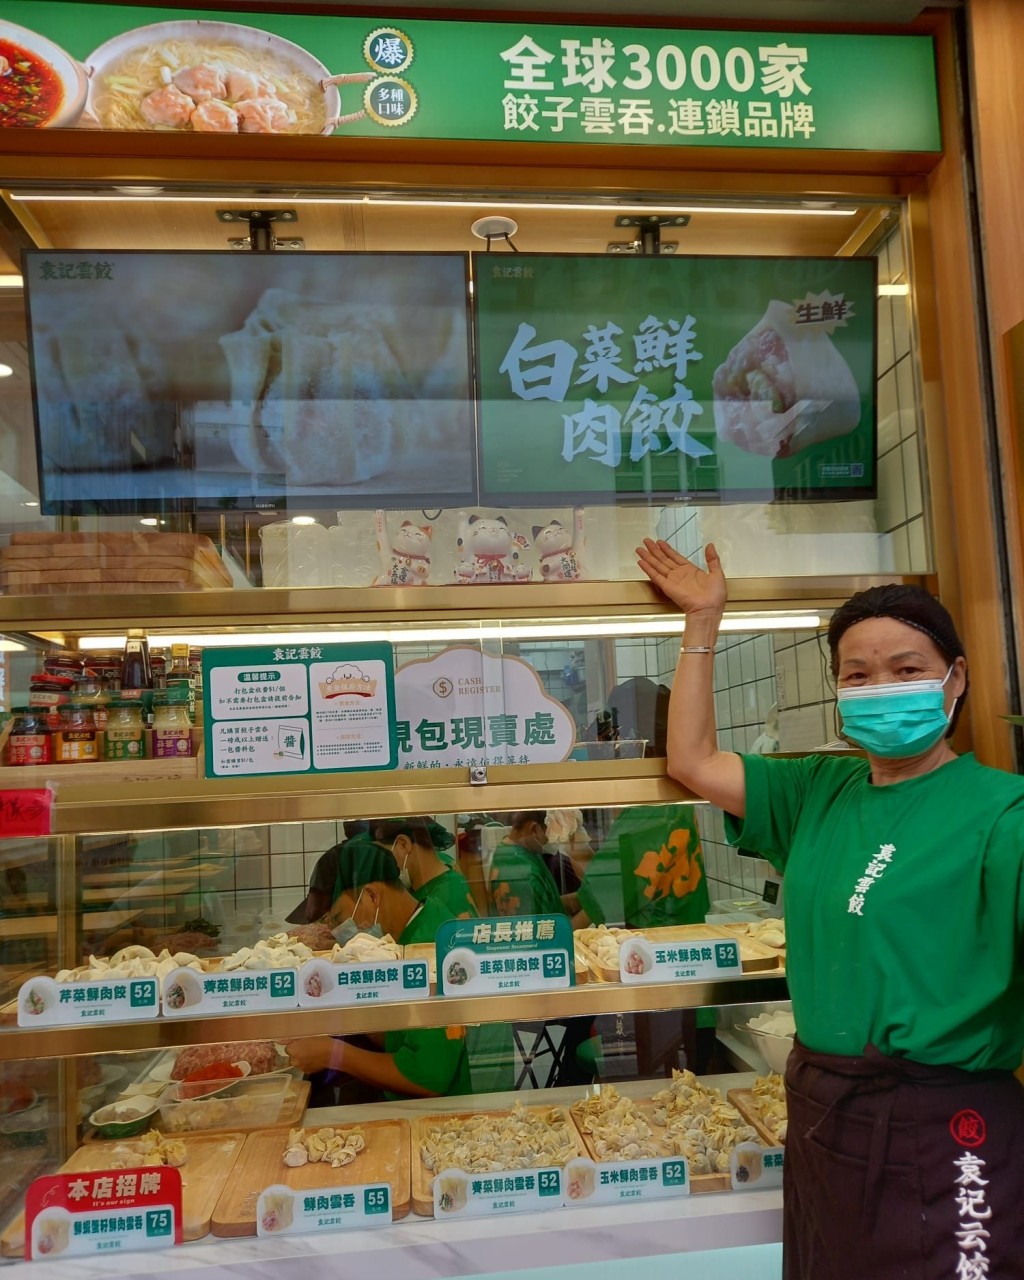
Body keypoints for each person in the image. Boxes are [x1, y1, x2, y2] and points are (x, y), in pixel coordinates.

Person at [637, 537, 1024, 1280]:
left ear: (955, 680)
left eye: (907, 670)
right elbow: (690, 760)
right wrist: (702, 622)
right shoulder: (817, 791)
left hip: (950, 1126)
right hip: (826, 1115)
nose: (882, 687)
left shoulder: (1002, 814)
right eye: (859, 673)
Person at [287, 838, 471, 1099]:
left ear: (372, 896)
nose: (335, 932)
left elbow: (429, 1076)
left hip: (444, 1118)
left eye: (338, 918)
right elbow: (403, 1036)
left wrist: (332, 1054)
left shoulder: (427, 949)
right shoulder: (414, 927)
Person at [570, 803, 709, 930]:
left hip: (659, 933)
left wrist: (562, 937)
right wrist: (572, 901)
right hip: (679, 924)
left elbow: (615, 888)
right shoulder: (662, 802)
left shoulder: (652, 808)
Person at [370, 817, 477, 919]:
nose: (383, 864)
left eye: (383, 855)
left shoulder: (446, 897)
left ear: (403, 844)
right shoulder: (443, 874)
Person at [487, 810, 570, 917]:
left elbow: (546, 902)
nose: (550, 841)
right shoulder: (524, 873)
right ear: (533, 829)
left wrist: (579, 899)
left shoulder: (507, 850)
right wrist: (588, 913)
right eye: (550, 835)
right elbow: (547, 930)